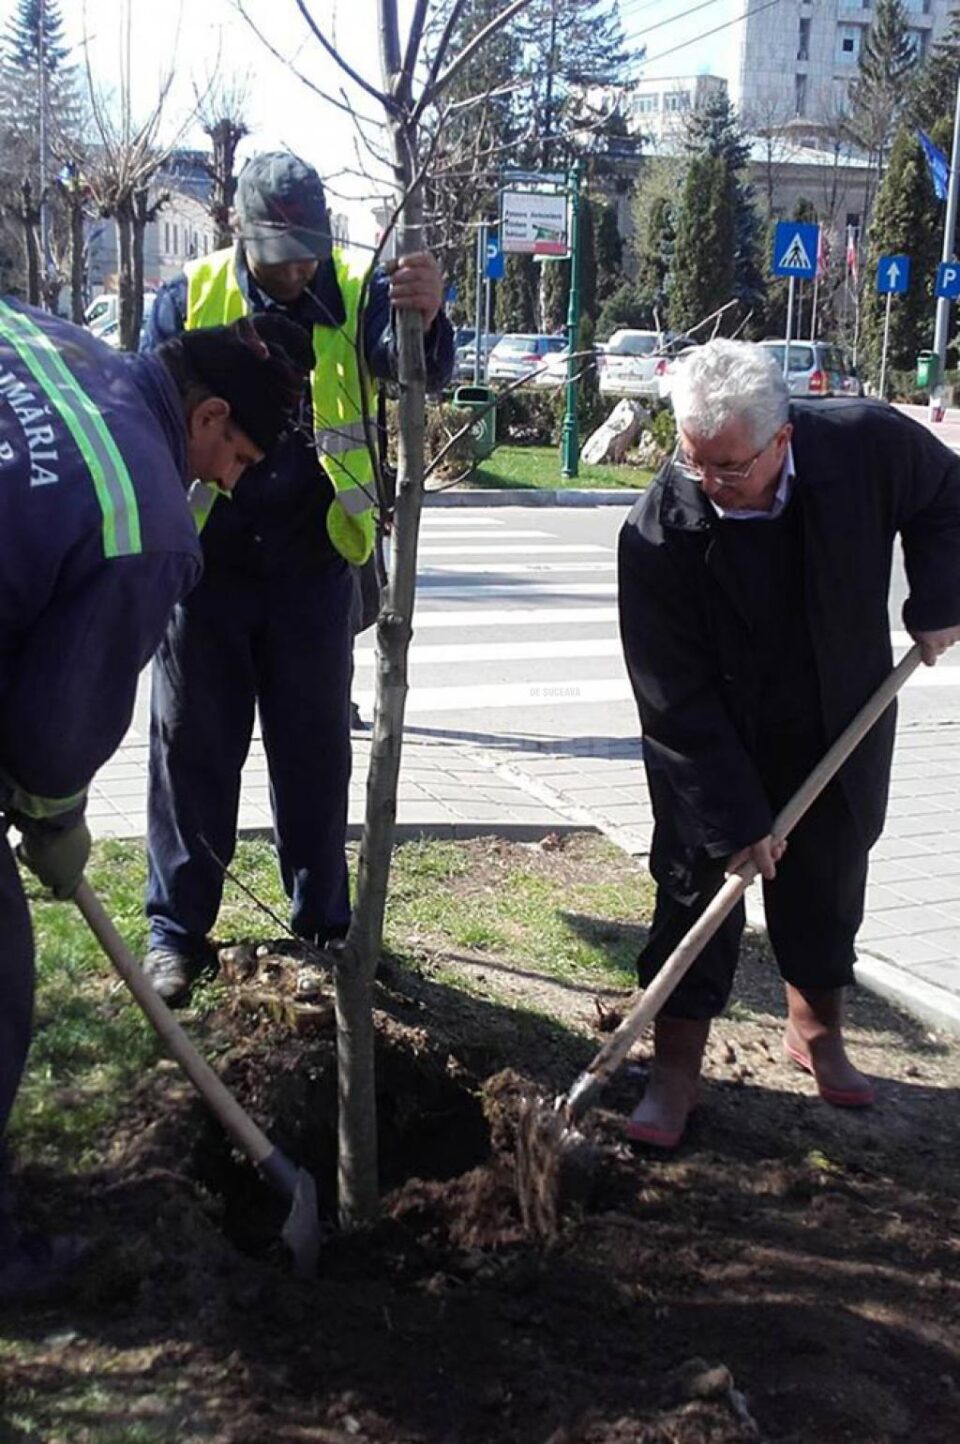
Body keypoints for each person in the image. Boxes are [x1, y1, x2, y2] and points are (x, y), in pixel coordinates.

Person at [0, 298, 313, 1299]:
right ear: (209, 414)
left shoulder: (54, 340)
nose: (232, 479)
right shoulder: (149, 520)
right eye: (238, 455)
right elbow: (52, 737)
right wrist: (52, 811)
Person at [618, 338, 960, 1149]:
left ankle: (815, 1029)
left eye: (730, 467)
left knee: (830, 869)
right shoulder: (659, 530)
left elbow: (949, 496)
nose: (709, 483)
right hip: (715, 725)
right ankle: (675, 1069)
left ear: (783, 439)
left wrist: (940, 601)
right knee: (696, 882)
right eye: (694, 459)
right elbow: (671, 696)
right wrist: (735, 818)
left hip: (837, 705)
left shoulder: (865, 445)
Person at [140, 151, 454, 1006]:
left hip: (313, 565)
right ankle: (177, 931)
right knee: (192, 750)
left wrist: (428, 319)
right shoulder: (191, 297)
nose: (298, 269)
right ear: (240, 232)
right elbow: (149, 417)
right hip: (207, 568)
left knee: (314, 752)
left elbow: (413, 366)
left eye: (309, 248)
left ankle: (322, 928)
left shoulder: (358, 290)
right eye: (281, 254)